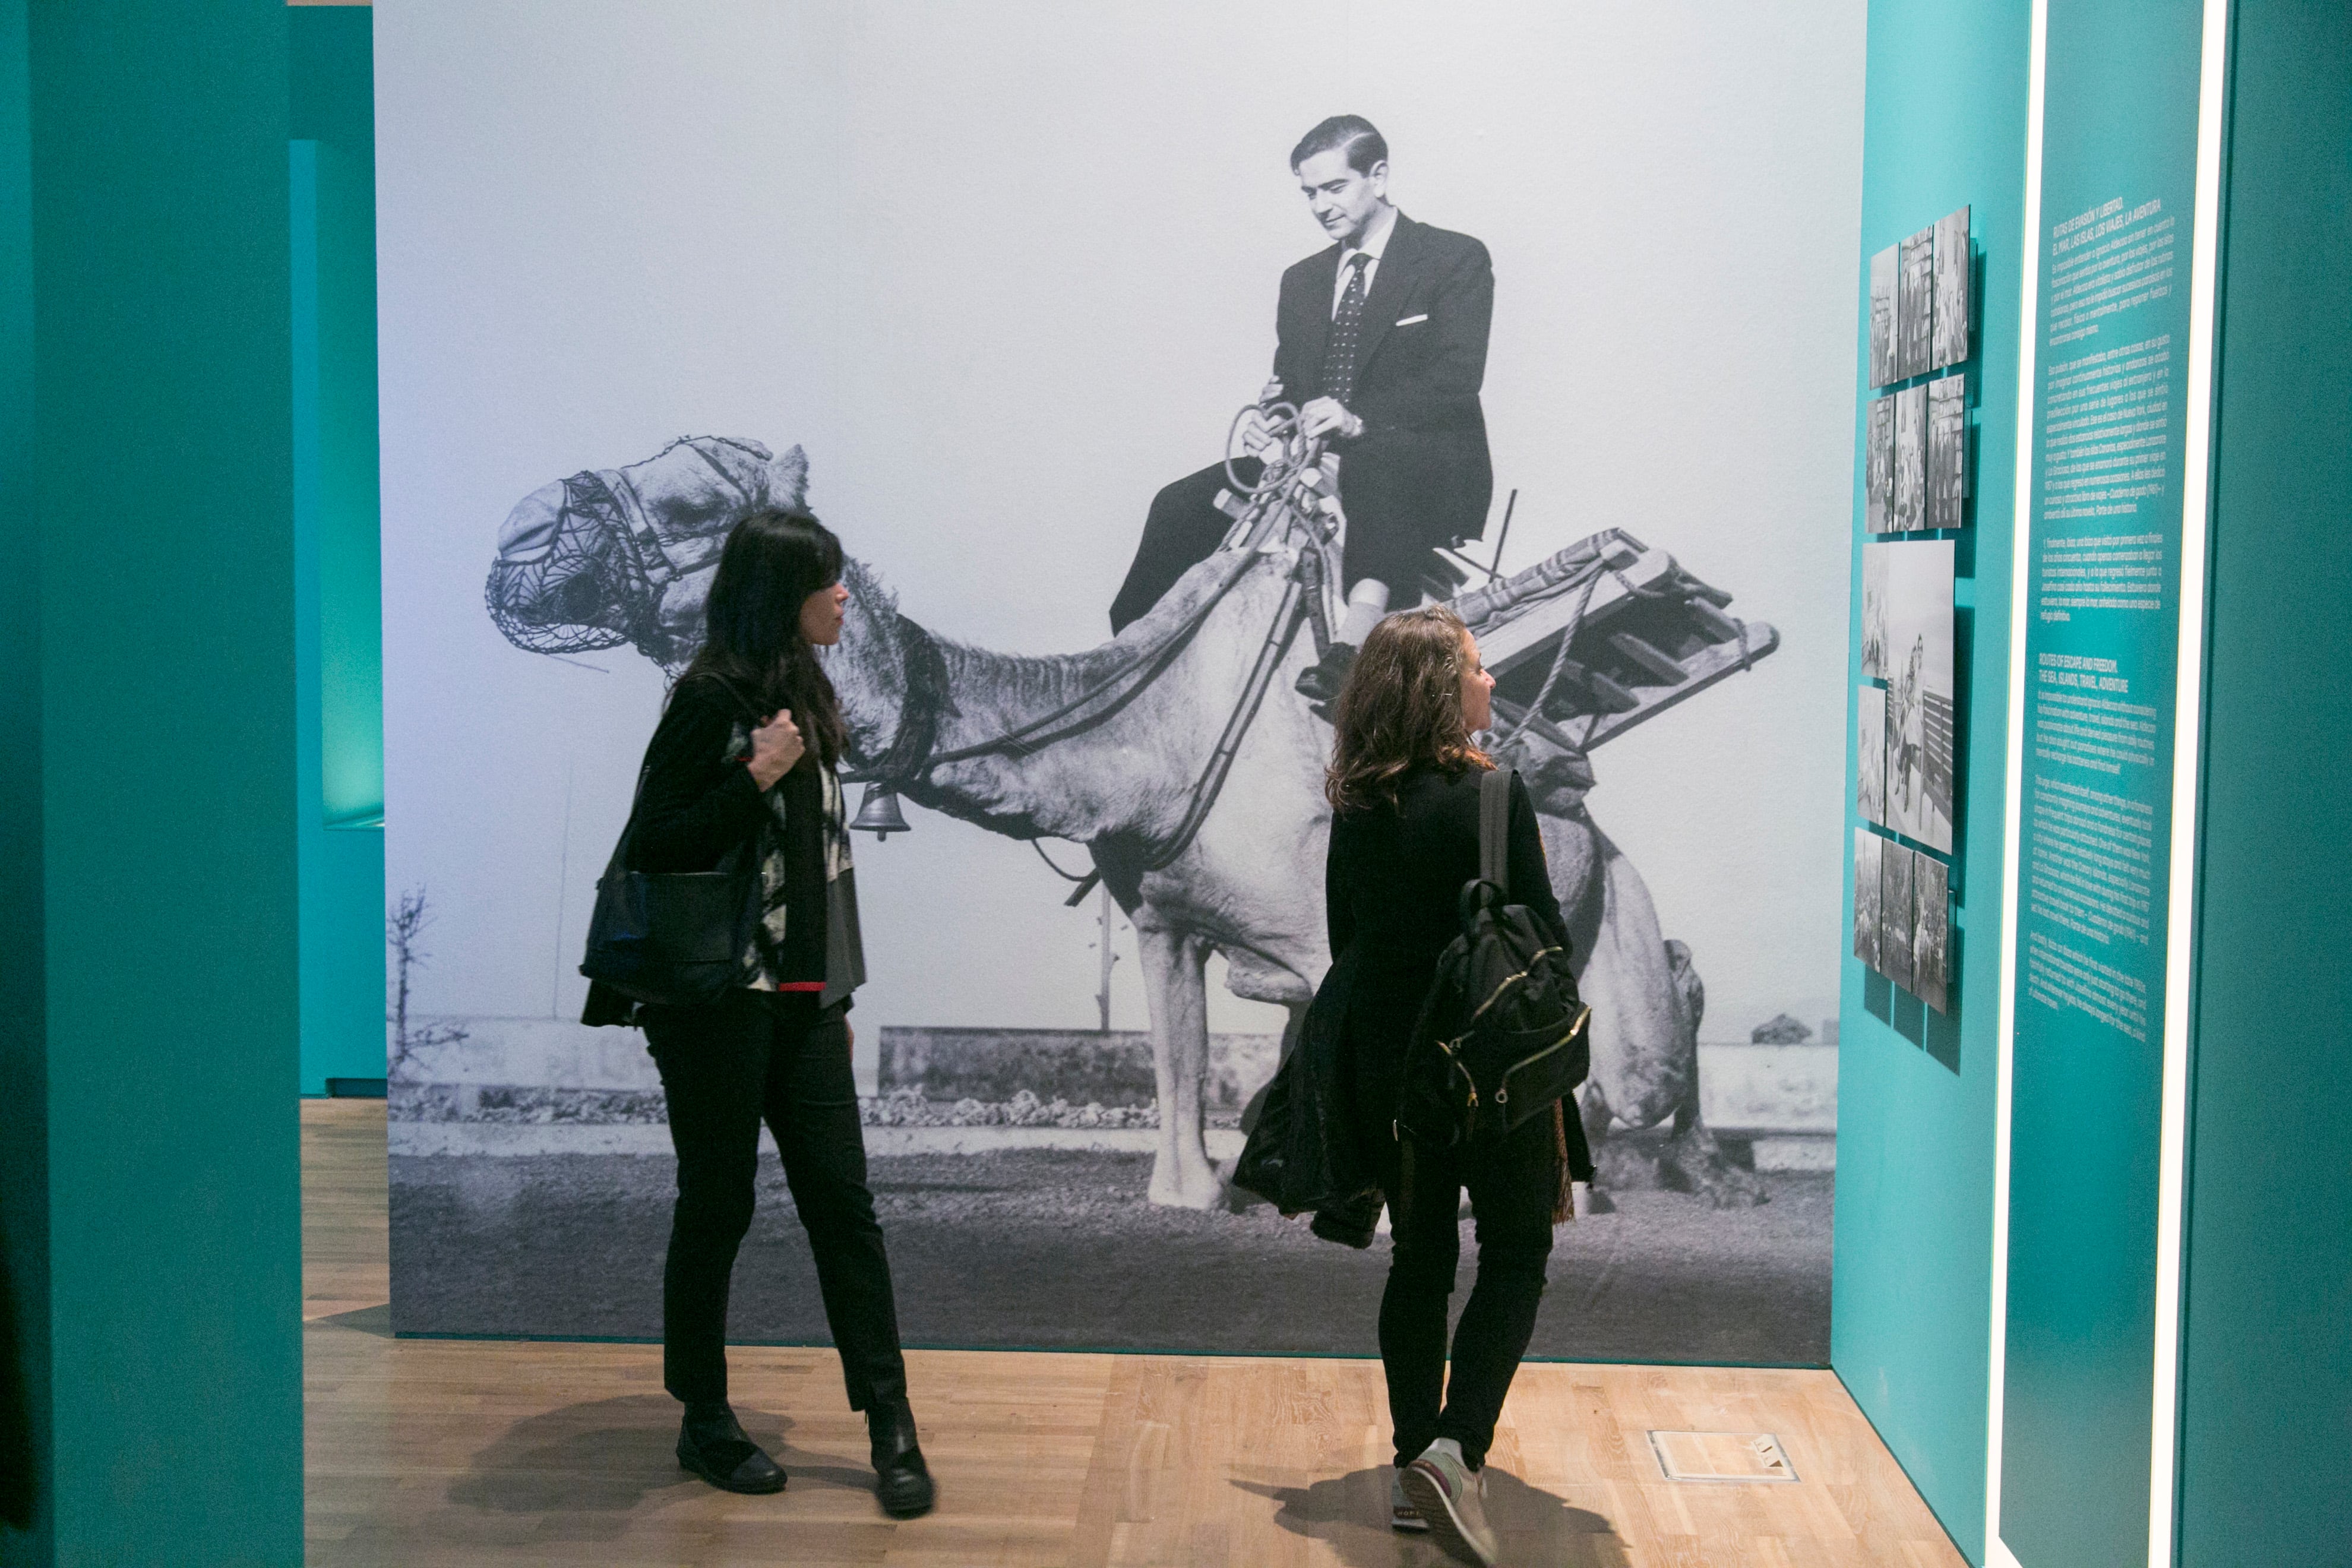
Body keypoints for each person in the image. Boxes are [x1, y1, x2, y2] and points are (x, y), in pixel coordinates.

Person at [581, 508, 934, 1518]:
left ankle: (891, 1422)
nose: (844, 596)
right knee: (718, 1205)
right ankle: (704, 1416)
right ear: (785, 594)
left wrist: (834, 994)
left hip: (799, 1007)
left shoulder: (804, 694)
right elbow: (660, 840)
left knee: (845, 1210)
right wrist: (754, 775)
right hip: (712, 1009)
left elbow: (817, 866)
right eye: (828, 581)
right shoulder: (710, 701)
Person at [1318, 605, 1567, 1566]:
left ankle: (1412, 1459)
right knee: (1515, 1253)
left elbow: (1350, 950)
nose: (1490, 682)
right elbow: (1545, 938)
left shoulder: (1356, 805)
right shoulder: (1497, 796)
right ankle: (1458, 1449)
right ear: (1436, 688)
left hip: (1399, 1075)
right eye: (1475, 667)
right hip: (1497, 1075)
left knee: (1419, 1260)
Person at [1107, 115, 1496, 709]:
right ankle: (1133, 651)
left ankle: (1352, 646)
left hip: (1424, 460)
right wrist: (1277, 414)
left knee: (1374, 465)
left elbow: (1457, 378)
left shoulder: (1452, 258)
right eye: (1309, 193)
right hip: (1317, 459)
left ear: (1380, 176)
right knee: (1180, 502)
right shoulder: (1304, 281)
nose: (1320, 206)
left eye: (1334, 188)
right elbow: (1292, 380)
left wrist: (1359, 420)